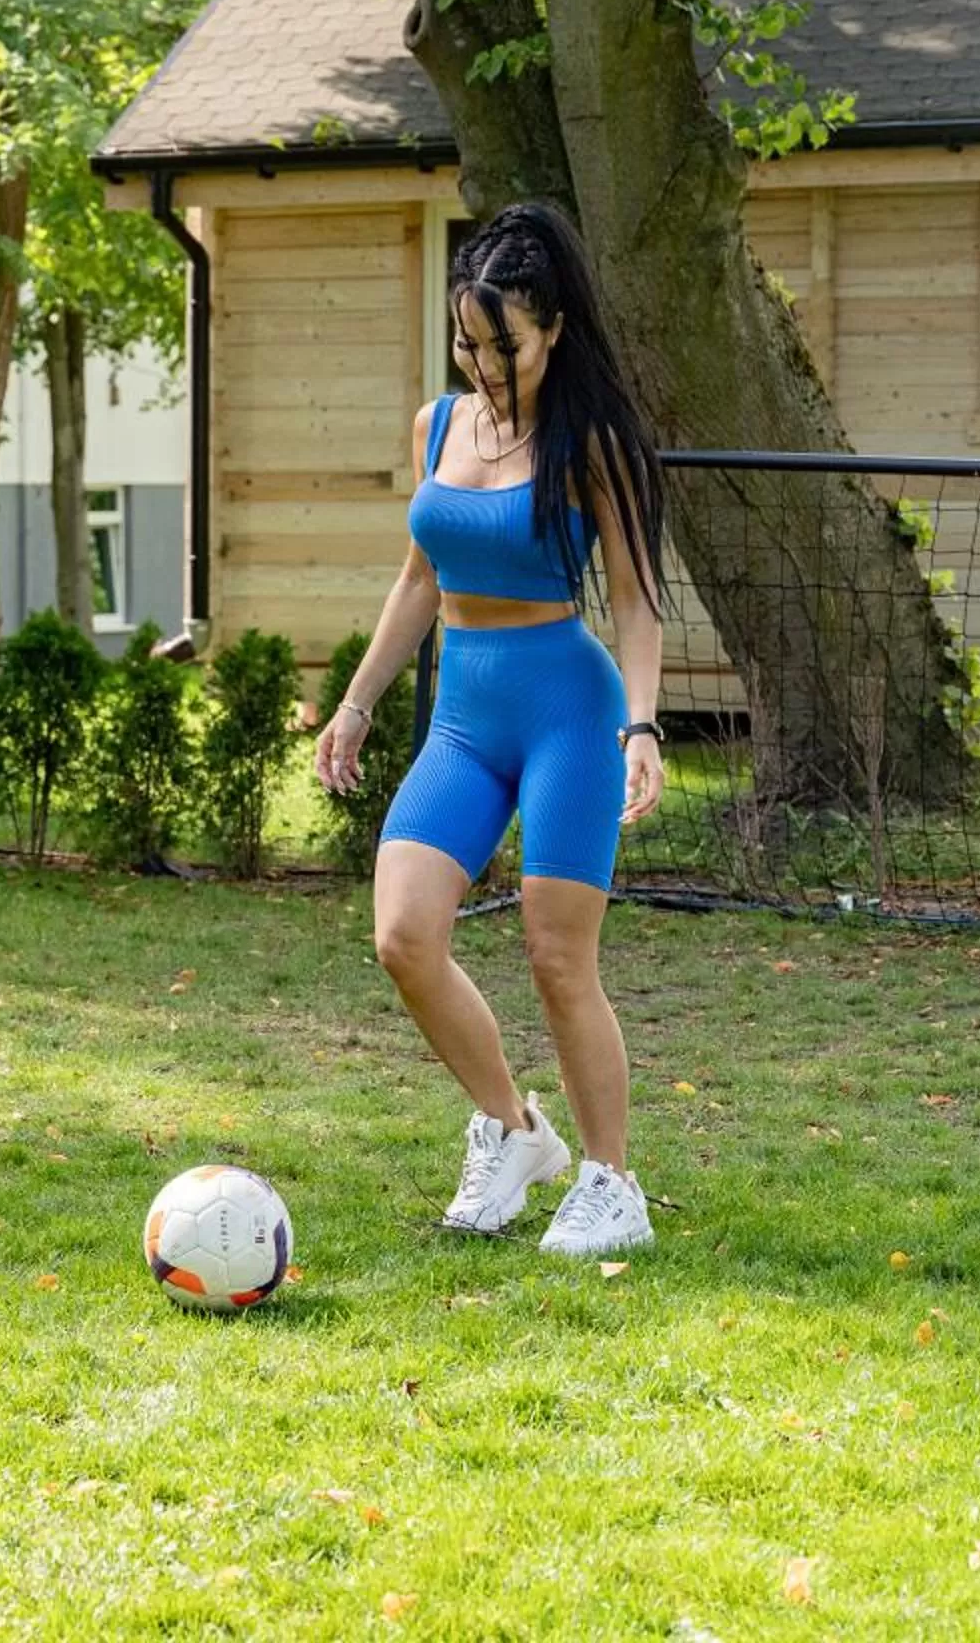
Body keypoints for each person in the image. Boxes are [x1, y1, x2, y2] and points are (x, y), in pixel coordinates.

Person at [313, 200, 670, 1257]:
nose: (484, 365)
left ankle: (612, 1183)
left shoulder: (589, 439)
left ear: (552, 328)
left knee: (558, 958)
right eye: (467, 343)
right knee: (403, 934)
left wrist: (642, 726)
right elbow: (419, 578)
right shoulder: (439, 425)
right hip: (465, 717)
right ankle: (514, 1131)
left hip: (567, 709)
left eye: (503, 345)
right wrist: (358, 701)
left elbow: (638, 599)